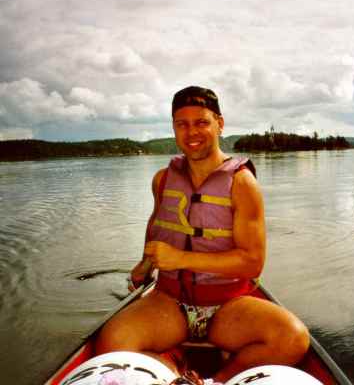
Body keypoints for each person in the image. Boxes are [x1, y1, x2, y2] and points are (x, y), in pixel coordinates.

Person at [95, 86, 310, 383]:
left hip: (228, 304)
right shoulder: (163, 180)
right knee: (111, 343)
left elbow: (252, 263)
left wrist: (180, 258)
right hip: (170, 301)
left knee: (293, 338)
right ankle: (175, 373)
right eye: (182, 124)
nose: (191, 132)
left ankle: (217, 380)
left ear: (219, 124)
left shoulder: (242, 183)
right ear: (173, 128)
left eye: (201, 122)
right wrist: (144, 265)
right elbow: (156, 230)